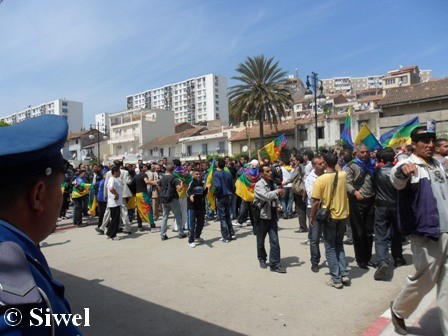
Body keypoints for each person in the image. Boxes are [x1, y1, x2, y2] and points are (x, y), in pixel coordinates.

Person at [0, 115, 83, 334]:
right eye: (59, 187)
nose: (61, 196)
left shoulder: (14, 247)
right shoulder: (13, 279)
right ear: (38, 195)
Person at [390, 126, 448, 335]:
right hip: (427, 232)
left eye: (432, 140)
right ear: (413, 144)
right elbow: (396, 181)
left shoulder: (437, 165)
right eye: (424, 141)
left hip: (446, 230)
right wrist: (400, 172)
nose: (430, 145)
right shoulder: (408, 164)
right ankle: (399, 309)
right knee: (426, 278)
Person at [310, 153, 350, 289]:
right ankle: (344, 273)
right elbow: (338, 168)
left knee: (330, 248)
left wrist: (311, 217)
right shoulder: (343, 175)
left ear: (325, 164)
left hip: (329, 217)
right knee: (339, 245)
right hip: (343, 215)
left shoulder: (320, 180)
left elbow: (315, 202)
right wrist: (335, 158)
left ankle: (336, 278)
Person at [373, 148, 405, 281]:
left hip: (381, 206)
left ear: (381, 159)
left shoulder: (377, 171)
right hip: (396, 206)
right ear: (393, 159)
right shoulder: (397, 171)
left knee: (381, 235)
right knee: (397, 234)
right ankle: (398, 258)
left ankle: (382, 261)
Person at [345, 144, 377, 269]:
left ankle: (367, 258)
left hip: (370, 200)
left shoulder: (372, 165)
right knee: (358, 232)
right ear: (356, 153)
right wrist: (354, 192)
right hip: (356, 202)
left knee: (369, 232)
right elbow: (347, 182)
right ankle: (360, 259)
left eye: (366, 152)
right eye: (362, 152)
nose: (365, 154)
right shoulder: (352, 166)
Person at [254, 165, 286, 273]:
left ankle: (275, 264)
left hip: (272, 216)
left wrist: (278, 204)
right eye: (267, 171)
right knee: (260, 240)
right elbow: (265, 196)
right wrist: (277, 192)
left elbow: (274, 198)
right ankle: (262, 258)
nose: (270, 173)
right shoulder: (259, 185)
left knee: (275, 241)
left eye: (270, 171)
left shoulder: (272, 183)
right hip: (262, 216)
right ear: (262, 173)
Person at [304, 155, 326, 272]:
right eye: (320, 164)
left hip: (327, 208)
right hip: (314, 209)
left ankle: (332, 259)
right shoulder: (310, 179)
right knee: (315, 238)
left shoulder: (328, 174)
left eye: (323, 163)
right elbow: (313, 196)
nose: (323, 165)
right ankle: (315, 261)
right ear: (313, 166)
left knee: (328, 236)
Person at [158, 164, 186, 241]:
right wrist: (181, 183)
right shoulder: (175, 178)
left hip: (164, 199)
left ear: (166, 169)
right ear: (173, 170)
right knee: (177, 216)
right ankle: (180, 233)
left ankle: (163, 234)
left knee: (164, 216)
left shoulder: (162, 178)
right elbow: (179, 189)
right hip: (173, 198)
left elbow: (159, 188)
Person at [213, 158, 236, 243]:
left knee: (222, 217)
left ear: (218, 165)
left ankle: (225, 236)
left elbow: (218, 186)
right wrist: (232, 192)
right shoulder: (228, 173)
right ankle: (232, 233)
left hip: (221, 196)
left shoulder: (216, 174)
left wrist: (215, 193)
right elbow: (233, 186)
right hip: (228, 196)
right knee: (228, 216)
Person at [186, 169, 207, 247]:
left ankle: (197, 236)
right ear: (193, 175)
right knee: (191, 224)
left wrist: (207, 188)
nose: (198, 175)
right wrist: (191, 195)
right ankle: (190, 240)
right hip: (192, 207)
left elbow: (203, 195)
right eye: (196, 174)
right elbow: (187, 191)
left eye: (199, 174)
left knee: (201, 224)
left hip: (200, 206)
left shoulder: (201, 183)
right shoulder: (191, 183)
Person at [106, 166, 123, 240]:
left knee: (114, 219)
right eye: (119, 171)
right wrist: (116, 194)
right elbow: (111, 189)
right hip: (114, 202)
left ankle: (109, 232)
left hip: (116, 202)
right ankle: (113, 235)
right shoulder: (112, 180)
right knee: (115, 219)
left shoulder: (114, 179)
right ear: (115, 172)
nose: (120, 173)